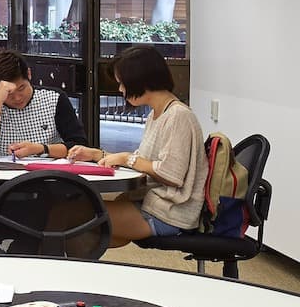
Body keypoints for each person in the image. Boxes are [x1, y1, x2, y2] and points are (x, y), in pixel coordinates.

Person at [67, 44, 207, 247]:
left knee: (67, 214)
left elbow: (171, 174)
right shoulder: (156, 114)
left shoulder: (178, 116)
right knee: (79, 234)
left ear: (141, 80)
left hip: (169, 212)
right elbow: (143, 161)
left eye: (123, 83)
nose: (121, 90)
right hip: (153, 203)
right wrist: (98, 154)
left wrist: (125, 158)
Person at [0, 50, 86, 251]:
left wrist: (41, 148)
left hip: (47, 187)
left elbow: (78, 145)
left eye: (22, 88)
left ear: (29, 74)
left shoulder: (54, 99)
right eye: (9, 93)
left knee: (32, 238)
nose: (17, 98)